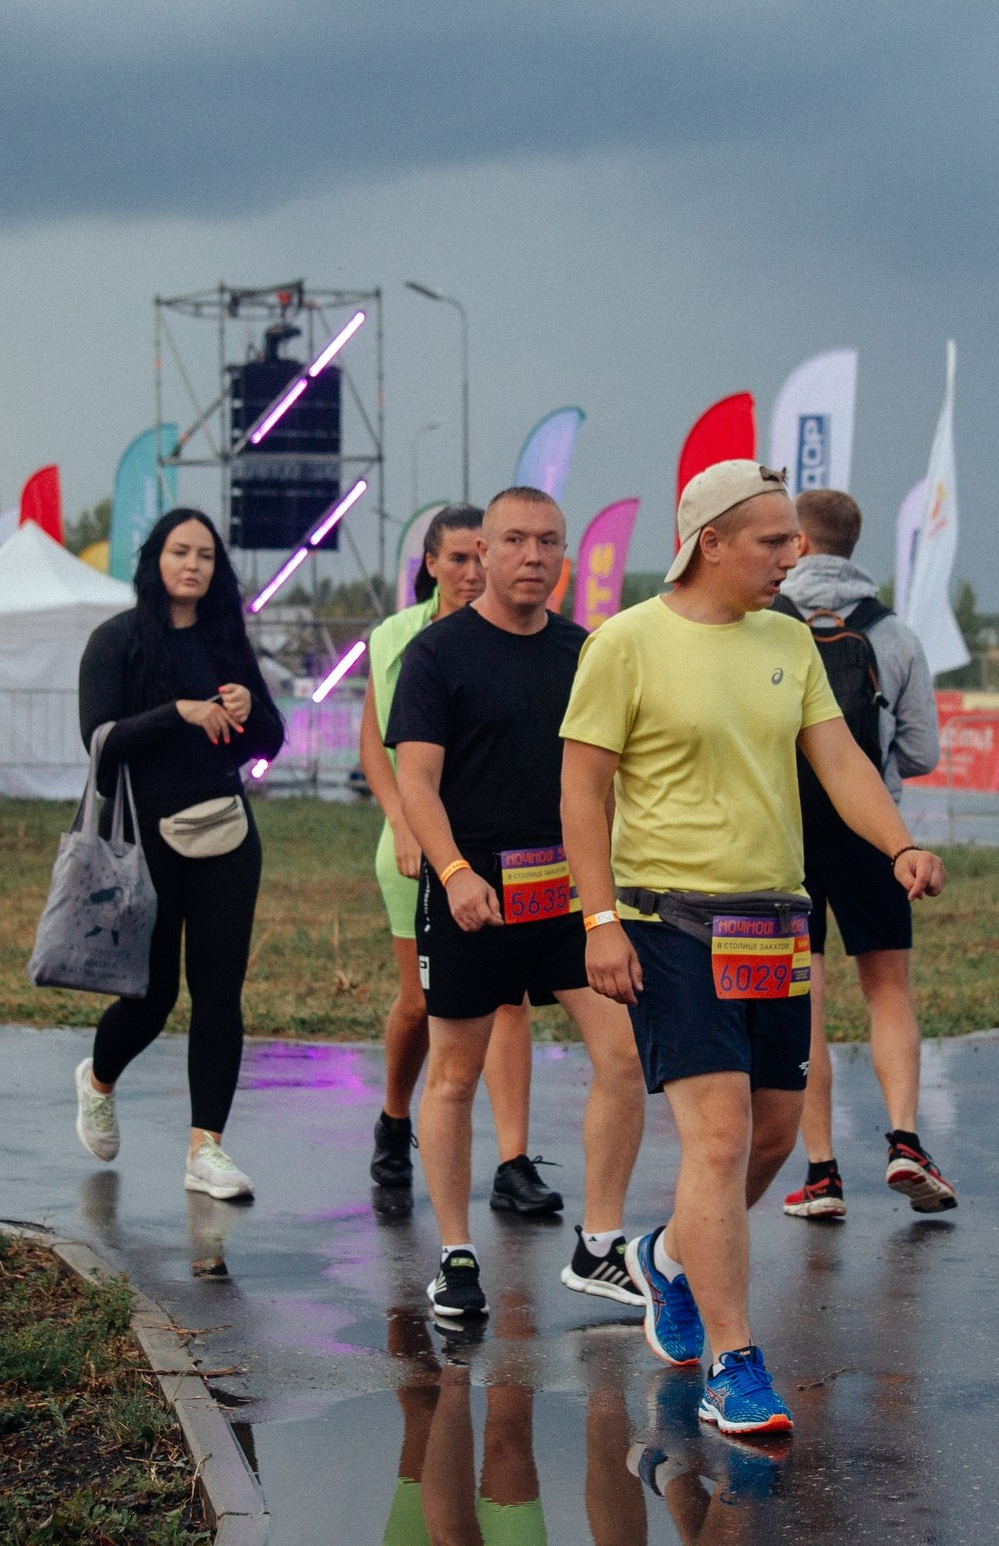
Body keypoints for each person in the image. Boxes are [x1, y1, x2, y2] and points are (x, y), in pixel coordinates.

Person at [561, 459, 945, 1436]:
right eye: (774, 540)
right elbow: (581, 792)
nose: (795, 554)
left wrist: (898, 843)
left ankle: (673, 1256)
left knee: (774, 1135)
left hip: (773, 921)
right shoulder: (625, 644)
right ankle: (734, 1360)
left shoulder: (791, 642)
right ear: (709, 543)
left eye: (795, 537)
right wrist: (599, 920)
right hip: (667, 919)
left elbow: (842, 759)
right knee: (719, 1134)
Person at [390, 487, 648, 1321]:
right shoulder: (437, 654)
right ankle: (457, 1255)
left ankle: (600, 1245)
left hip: (571, 900)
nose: (533, 555)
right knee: (456, 1075)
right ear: (484, 554)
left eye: (548, 542)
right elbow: (415, 782)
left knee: (626, 1059)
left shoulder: (588, 652)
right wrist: (457, 871)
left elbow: (613, 778)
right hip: (472, 902)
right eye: (514, 540)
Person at [71, 507, 285, 1199]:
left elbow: (269, 741)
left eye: (205, 555)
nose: (193, 565)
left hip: (226, 834)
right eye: (179, 551)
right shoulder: (118, 640)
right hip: (146, 843)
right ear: (155, 560)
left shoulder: (226, 640)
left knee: (219, 991)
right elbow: (100, 742)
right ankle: (98, 1078)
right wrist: (181, 713)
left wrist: (250, 709)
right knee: (153, 993)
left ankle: (207, 1148)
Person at [767, 486, 952, 1221]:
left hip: (788, 829)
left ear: (800, 543)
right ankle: (905, 1138)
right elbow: (924, 751)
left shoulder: (767, 627)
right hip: (875, 829)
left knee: (805, 991)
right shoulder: (895, 634)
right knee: (887, 989)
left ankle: (821, 1173)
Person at [361, 506, 551, 1215]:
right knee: (420, 1002)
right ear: (433, 565)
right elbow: (376, 753)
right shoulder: (401, 638)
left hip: (506, 853)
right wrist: (404, 827)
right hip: (417, 846)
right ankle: (393, 1118)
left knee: (511, 1000)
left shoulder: (524, 634)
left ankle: (513, 1161)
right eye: (460, 560)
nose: (474, 572)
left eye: (482, 557)